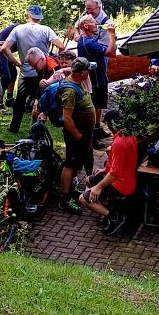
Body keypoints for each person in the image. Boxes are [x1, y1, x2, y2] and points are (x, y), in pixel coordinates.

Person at [0, 5, 66, 134]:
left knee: (20, 101)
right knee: (39, 101)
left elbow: (5, 47)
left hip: (25, 73)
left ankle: (14, 127)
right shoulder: (46, 30)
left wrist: (16, 62)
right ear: (40, 17)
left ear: (28, 15)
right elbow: (61, 46)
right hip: (42, 73)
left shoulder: (18, 29)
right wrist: (55, 57)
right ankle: (36, 129)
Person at [79, 109, 137, 235]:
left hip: (121, 185)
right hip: (126, 178)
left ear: (111, 124)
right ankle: (107, 211)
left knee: (83, 198)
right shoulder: (129, 135)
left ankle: (114, 217)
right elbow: (121, 163)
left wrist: (98, 187)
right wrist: (105, 170)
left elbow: (114, 174)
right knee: (89, 180)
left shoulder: (119, 143)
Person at [56, 57, 96, 213]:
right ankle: (65, 199)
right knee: (70, 164)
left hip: (83, 133)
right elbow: (66, 118)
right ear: (82, 72)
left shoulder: (78, 82)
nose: (89, 72)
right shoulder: (70, 91)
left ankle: (71, 191)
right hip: (76, 135)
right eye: (88, 70)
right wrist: (77, 135)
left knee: (76, 163)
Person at [76, 15, 117, 145]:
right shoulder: (89, 43)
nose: (97, 25)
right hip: (96, 81)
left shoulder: (85, 39)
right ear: (86, 26)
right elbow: (112, 53)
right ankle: (92, 137)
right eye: (94, 23)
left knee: (99, 106)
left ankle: (97, 129)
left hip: (99, 78)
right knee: (94, 108)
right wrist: (111, 35)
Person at [0, 20, 21, 112]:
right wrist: (16, 62)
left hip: (4, 51)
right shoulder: (21, 30)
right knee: (5, 77)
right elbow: (4, 48)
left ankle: (9, 100)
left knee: (13, 73)